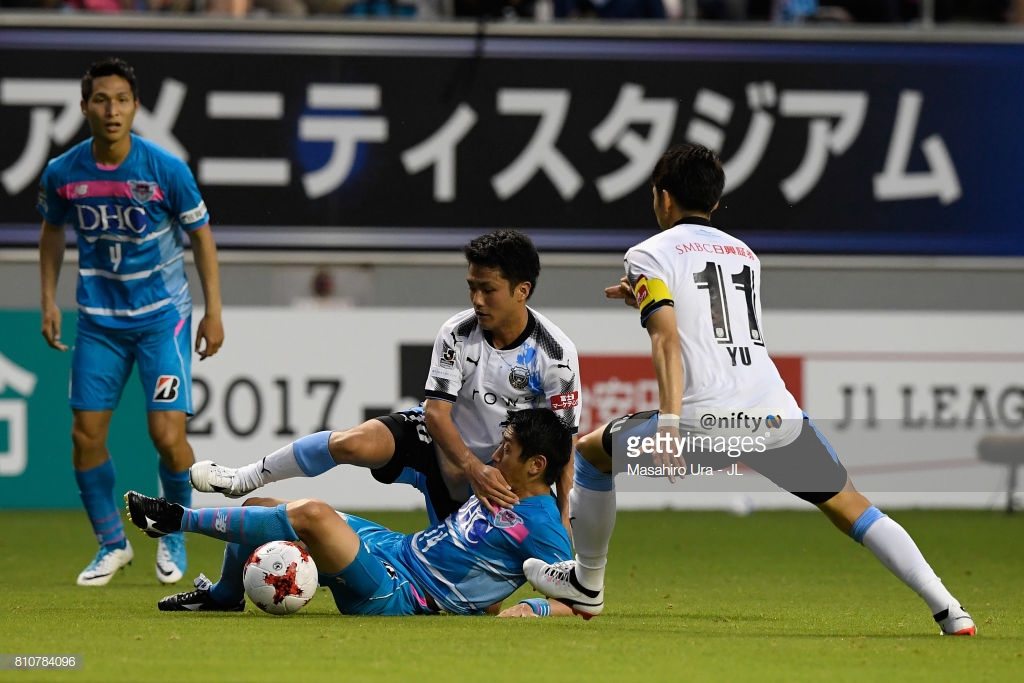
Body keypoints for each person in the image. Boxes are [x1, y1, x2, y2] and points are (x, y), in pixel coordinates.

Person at [522, 143, 977, 636]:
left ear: (664, 198)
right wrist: (646, 300)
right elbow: (713, 322)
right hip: (773, 418)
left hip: (704, 424)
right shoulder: (744, 253)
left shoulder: (648, 253)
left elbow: (668, 337)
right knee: (850, 506)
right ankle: (949, 609)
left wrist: (671, 423)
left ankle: (587, 584)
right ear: (714, 203)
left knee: (590, 455)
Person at [190, 229, 580, 527]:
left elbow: (565, 441)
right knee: (352, 443)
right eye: (472, 288)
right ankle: (245, 477)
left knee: (480, 605)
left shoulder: (556, 354)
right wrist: (470, 466)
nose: (476, 300)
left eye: (488, 290)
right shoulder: (457, 333)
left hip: (499, 475)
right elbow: (437, 413)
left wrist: (565, 514)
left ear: (521, 291)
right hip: (443, 444)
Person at [38, 57, 224, 587]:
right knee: (85, 434)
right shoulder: (64, 172)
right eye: (101, 100)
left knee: (167, 435)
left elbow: (201, 237)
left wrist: (213, 309)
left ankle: (174, 531)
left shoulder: (166, 169)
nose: (111, 109)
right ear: (84, 108)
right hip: (99, 321)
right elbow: (51, 232)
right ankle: (111, 544)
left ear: (136, 107)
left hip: (161, 317)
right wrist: (48, 299)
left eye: (121, 99)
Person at [125, 409, 576, 617]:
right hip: (395, 550)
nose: (495, 455)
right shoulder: (498, 485)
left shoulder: (542, 527)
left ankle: (176, 519)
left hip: (403, 595)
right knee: (259, 508)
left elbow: (579, 603)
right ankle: (224, 595)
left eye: (508, 449)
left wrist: (531, 610)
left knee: (314, 515)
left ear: (537, 465)